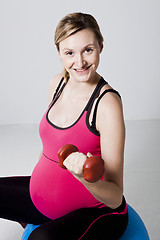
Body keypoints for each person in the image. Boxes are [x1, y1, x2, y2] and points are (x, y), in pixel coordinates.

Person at [0, 12, 128, 239]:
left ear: (100, 46)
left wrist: (82, 177)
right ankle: (34, 219)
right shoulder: (56, 84)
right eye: (70, 53)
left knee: (40, 238)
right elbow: (50, 145)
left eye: (88, 50)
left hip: (99, 211)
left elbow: (115, 196)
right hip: (44, 202)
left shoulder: (107, 104)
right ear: (59, 52)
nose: (80, 63)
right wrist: (43, 184)